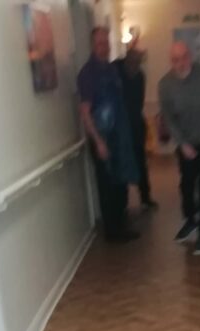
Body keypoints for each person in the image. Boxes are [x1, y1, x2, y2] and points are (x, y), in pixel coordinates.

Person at [159, 42, 200, 256]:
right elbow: (168, 118)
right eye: (176, 59)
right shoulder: (165, 85)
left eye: (184, 57)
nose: (181, 63)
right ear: (171, 61)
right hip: (185, 142)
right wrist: (183, 143)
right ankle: (191, 220)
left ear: (190, 56)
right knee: (186, 185)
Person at [77, 28, 138, 242]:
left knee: (120, 182)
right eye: (100, 43)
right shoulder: (88, 74)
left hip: (119, 138)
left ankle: (121, 226)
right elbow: (85, 112)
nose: (104, 47)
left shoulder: (111, 69)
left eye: (106, 42)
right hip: (102, 138)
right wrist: (99, 142)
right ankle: (112, 232)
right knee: (107, 185)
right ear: (93, 45)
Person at [115, 47, 157, 211]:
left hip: (135, 125)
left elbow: (139, 101)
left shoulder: (140, 76)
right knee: (122, 163)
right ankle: (123, 202)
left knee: (140, 162)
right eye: (132, 62)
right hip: (120, 127)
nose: (135, 66)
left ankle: (145, 197)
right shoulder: (116, 72)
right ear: (126, 60)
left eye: (138, 63)